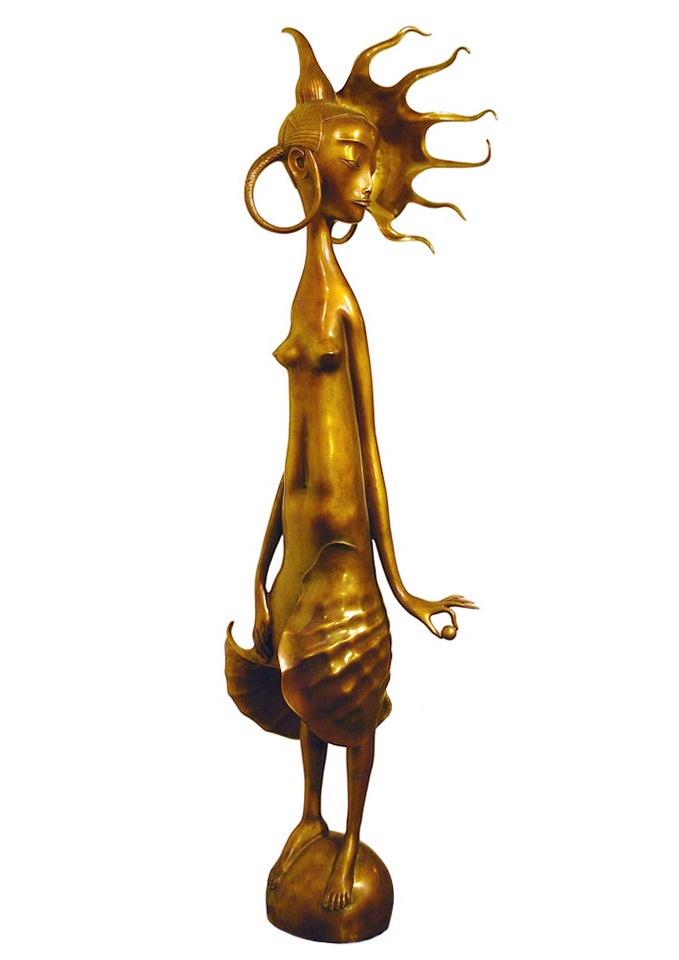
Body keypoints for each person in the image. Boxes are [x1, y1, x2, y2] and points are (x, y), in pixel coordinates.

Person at [226, 26, 491, 912]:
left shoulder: (340, 301)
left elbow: (367, 448)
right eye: (351, 155)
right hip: (303, 554)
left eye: (367, 158)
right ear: (302, 170)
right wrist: (260, 563)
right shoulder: (306, 291)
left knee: (351, 703)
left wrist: (400, 582)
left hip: (343, 557)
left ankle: (348, 845)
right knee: (301, 696)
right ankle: (309, 819)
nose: (366, 175)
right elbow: (293, 453)